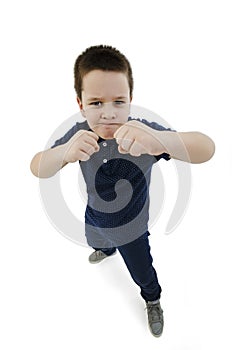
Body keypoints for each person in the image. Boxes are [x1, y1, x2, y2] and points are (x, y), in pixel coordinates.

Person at [30, 45, 215, 337]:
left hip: (132, 230)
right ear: (80, 103)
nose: (108, 113)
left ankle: (152, 298)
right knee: (96, 240)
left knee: (143, 272)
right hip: (95, 218)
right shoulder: (80, 134)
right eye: (96, 103)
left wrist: (161, 140)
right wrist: (64, 152)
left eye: (118, 101)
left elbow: (206, 148)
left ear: (130, 100)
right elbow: (38, 167)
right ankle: (105, 249)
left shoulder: (145, 133)